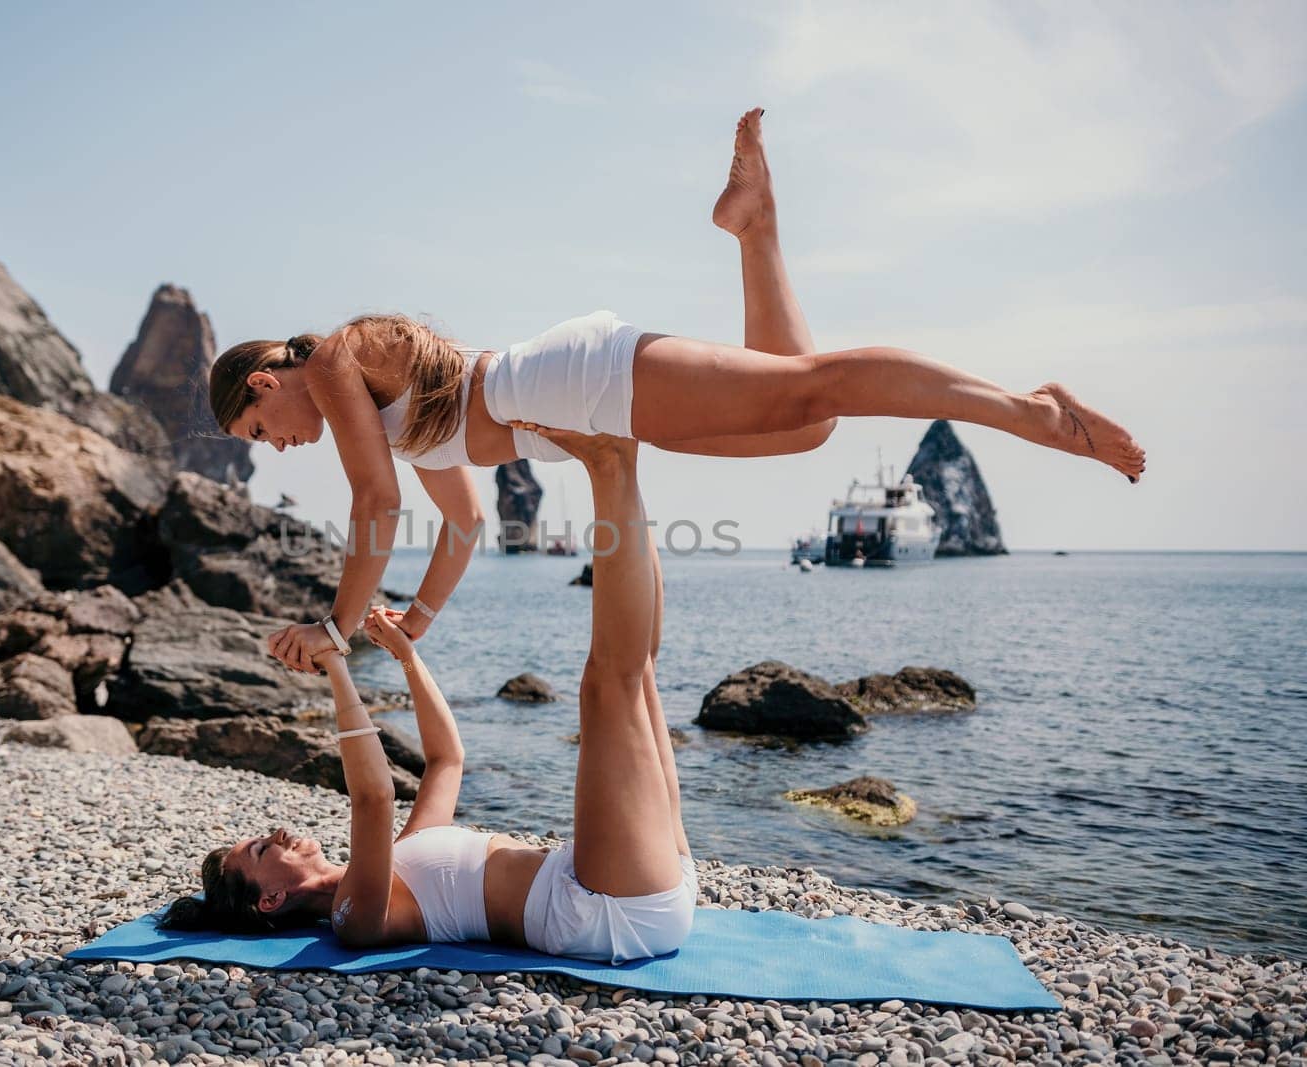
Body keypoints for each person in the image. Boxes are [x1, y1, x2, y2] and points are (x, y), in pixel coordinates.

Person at [211, 109, 1147, 671]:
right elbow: (458, 526)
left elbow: (374, 504)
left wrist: (333, 629)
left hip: (571, 380)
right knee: (803, 424)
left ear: (265, 380)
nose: (280, 445)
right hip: (573, 412)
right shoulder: (388, 415)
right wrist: (412, 620)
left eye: (262, 427)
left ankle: (1029, 410)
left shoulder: (337, 358)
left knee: (809, 388)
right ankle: (755, 225)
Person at [159, 426, 697, 964]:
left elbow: (446, 760)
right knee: (609, 683)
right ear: (270, 900)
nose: (276, 833)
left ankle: (620, 461)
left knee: (638, 671)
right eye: (260, 849)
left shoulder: (399, 856)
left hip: (633, 877)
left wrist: (408, 660)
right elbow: (372, 799)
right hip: (604, 908)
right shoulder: (355, 916)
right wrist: (334, 662)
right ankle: (608, 463)